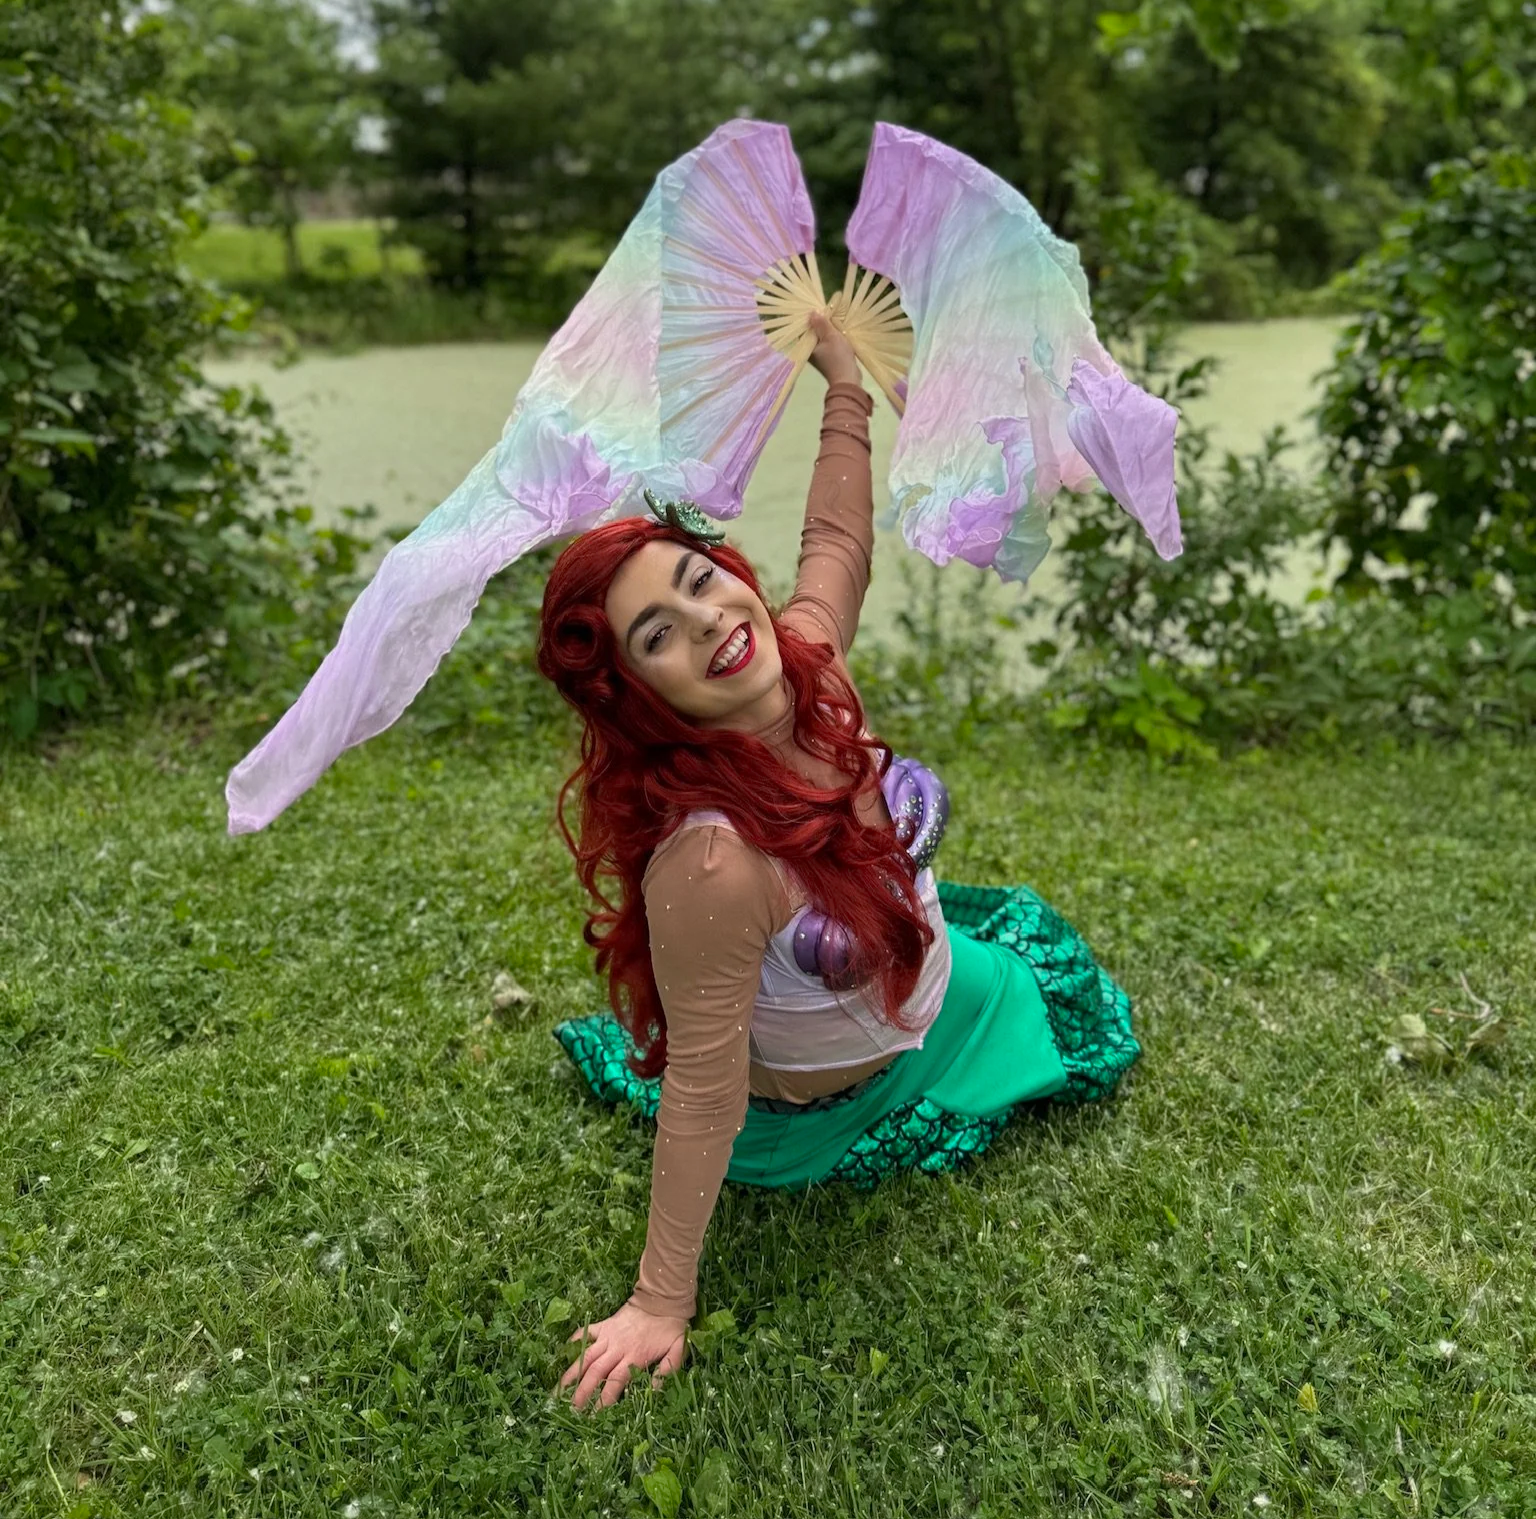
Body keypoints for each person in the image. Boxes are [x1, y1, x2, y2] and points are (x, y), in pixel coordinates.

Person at [536, 311, 1140, 1413]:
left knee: (1048, 980)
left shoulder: (809, 663)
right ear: (639, 694)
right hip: (836, 1110)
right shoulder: (709, 869)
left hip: (943, 1004)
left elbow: (837, 540)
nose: (708, 620)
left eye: (699, 578)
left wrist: (844, 385)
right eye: (657, 634)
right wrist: (661, 1300)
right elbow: (707, 1092)